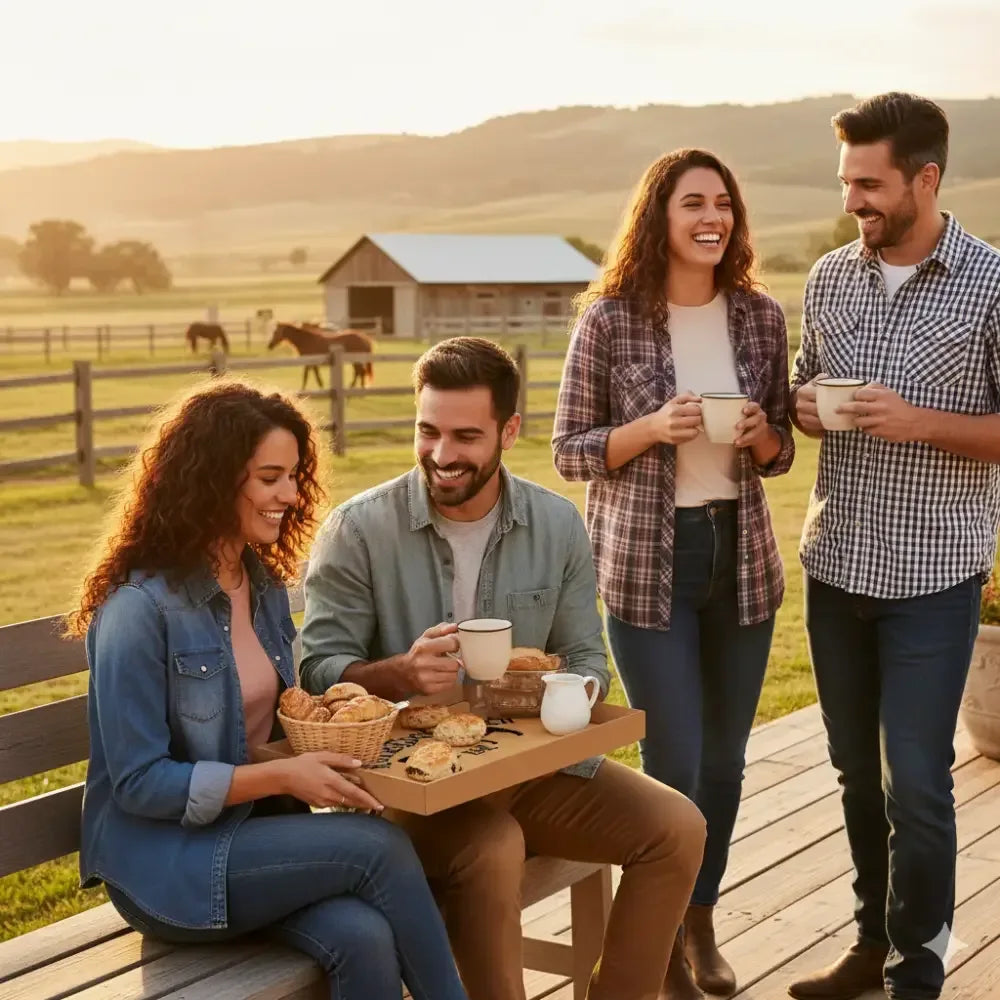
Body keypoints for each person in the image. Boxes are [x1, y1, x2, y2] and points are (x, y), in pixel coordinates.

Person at [299, 336, 707, 1000]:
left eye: (465, 436)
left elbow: (585, 658)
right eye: (427, 431)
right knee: (491, 848)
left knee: (678, 828)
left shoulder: (555, 524)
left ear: (509, 430)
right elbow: (319, 670)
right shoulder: (358, 530)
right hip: (412, 796)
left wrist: (565, 691)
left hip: (529, 771)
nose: (441, 454)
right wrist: (400, 673)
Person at [68, 379, 468, 1000]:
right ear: (211, 480)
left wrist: (341, 753)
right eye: (270, 478)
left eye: (294, 477)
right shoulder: (137, 610)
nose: (289, 495)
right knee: (378, 849)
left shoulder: (261, 588)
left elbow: (267, 729)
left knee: (363, 937)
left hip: (255, 838)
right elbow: (140, 782)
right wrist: (284, 777)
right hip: (165, 867)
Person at [552, 148, 795, 999]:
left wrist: (761, 432)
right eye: (694, 201)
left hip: (741, 563)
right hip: (646, 564)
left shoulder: (760, 317)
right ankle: (655, 944)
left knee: (725, 763)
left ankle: (699, 920)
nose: (713, 217)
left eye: (724, 202)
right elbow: (570, 452)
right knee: (676, 759)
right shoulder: (610, 319)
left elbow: (779, 455)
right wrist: (652, 427)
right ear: (659, 215)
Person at [787, 93, 1000, 1000]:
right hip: (836, 565)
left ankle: (920, 960)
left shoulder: (992, 284)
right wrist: (800, 408)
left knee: (915, 776)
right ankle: (869, 944)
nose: (854, 202)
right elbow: (803, 385)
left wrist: (922, 422)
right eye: (846, 184)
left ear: (926, 179)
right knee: (852, 772)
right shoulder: (830, 277)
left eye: (869, 185)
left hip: (934, 575)